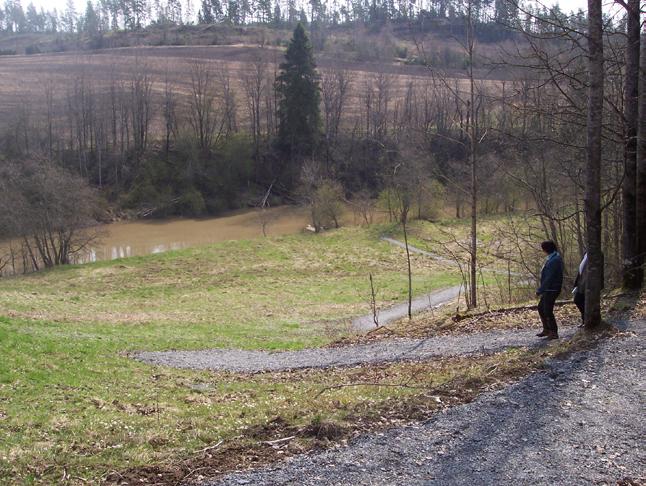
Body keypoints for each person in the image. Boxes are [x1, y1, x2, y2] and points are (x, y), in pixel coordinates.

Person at [536, 240, 564, 340]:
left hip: (552, 289)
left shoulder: (555, 260)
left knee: (547, 310)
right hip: (549, 289)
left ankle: (554, 332)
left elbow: (549, 277)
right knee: (541, 307)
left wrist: (540, 290)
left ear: (546, 249)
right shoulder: (552, 258)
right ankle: (546, 329)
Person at [572, 252, 588, 327]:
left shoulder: (596, 253)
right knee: (577, 300)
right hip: (581, 282)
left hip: (588, 283)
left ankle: (586, 320)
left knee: (580, 300)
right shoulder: (585, 253)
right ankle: (584, 320)